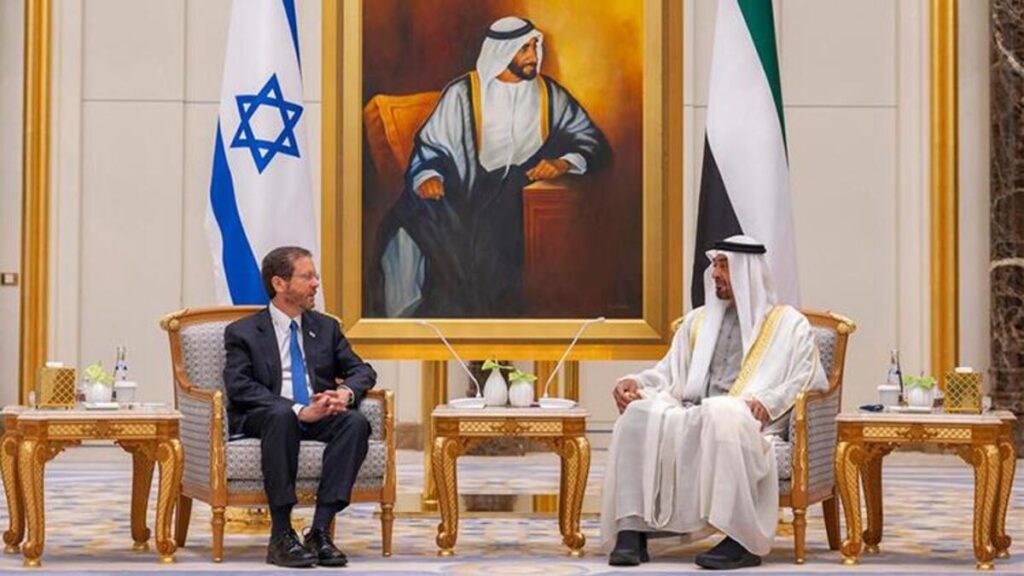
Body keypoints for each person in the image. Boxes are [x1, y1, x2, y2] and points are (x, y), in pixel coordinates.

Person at [600, 235, 827, 570]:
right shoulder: (698, 321)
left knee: (726, 413)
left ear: (747, 272)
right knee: (637, 413)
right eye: (715, 266)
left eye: (725, 266)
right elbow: (669, 371)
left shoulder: (788, 325)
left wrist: (768, 401)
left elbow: (805, 377)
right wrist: (637, 382)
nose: (716, 274)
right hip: (694, 412)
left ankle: (740, 540)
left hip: (748, 418)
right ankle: (632, 530)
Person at [375, 15, 608, 318]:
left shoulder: (549, 95)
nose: (533, 56)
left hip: (517, 189)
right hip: (462, 186)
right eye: (524, 49)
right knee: (411, 219)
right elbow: (431, 146)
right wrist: (429, 174)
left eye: (535, 47)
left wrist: (563, 163)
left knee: (495, 237)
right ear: (502, 52)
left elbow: (590, 139)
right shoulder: (463, 93)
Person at [224, 246, 377, 568]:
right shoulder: (243, 332)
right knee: (282, 416)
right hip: (267, 416)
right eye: (307, 277)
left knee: (355, 423)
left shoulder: (326, 328)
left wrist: (344, 394)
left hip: (318, 413)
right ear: (279, 284)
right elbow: (240, 387)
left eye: (315, 276)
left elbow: (362, 370)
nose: (316, 284)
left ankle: (319, 531)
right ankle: (281, 535)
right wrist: (297, 409)